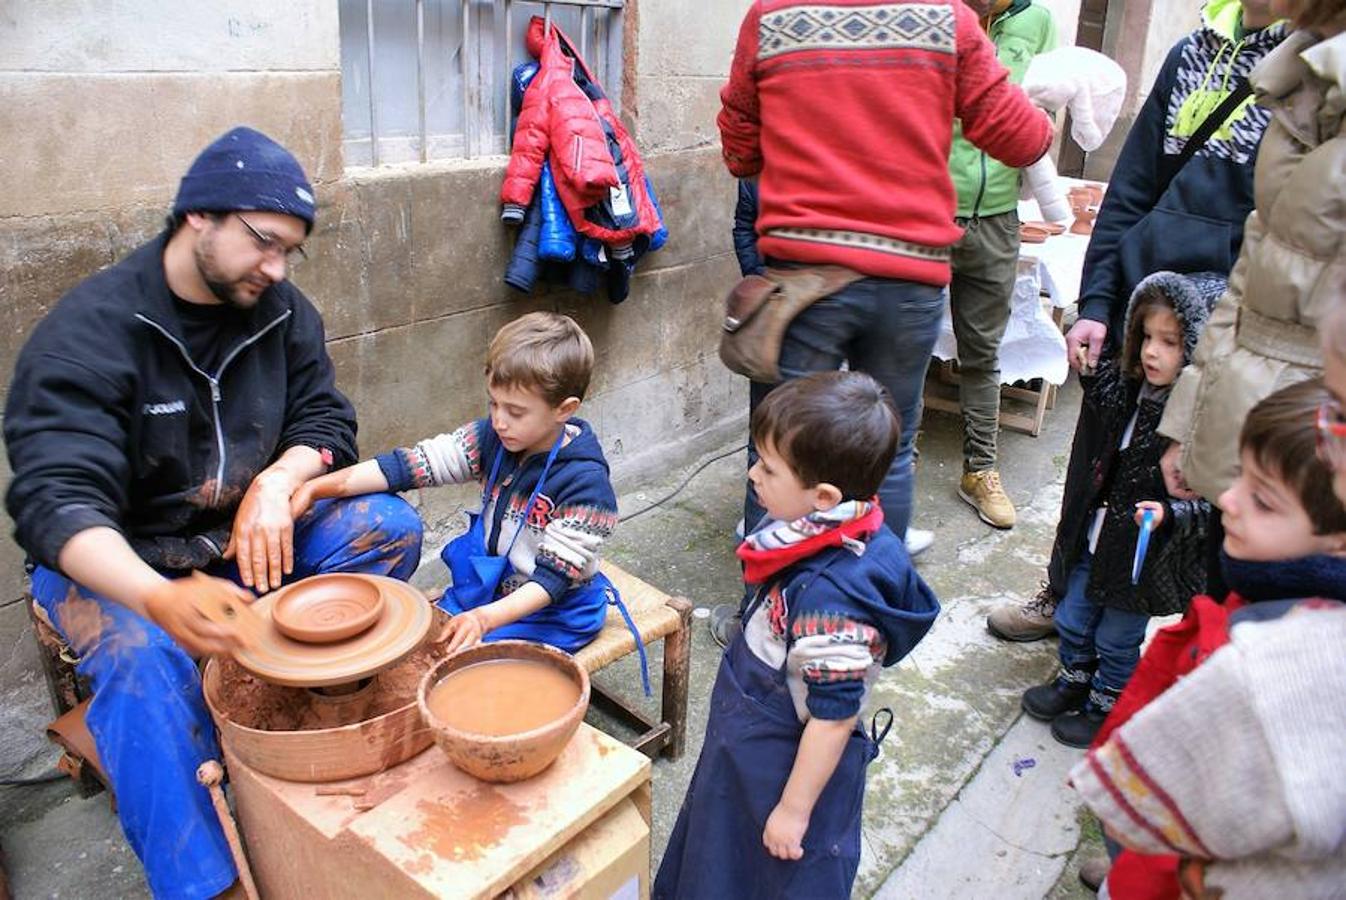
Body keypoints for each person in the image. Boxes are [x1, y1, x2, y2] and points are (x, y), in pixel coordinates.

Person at [4, 126, 423, 898]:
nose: (277, 267)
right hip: (122, 564)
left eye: (291, 251)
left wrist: (277, 482)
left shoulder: (280, 309)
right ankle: (208, 882)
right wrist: (159, 595)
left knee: (387, 528)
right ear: (198, 216)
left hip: (236, 538)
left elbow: (326, 421)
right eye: (264, 243)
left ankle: (277, 706)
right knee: (140, 664)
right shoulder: (92, 333)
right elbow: (54, 501)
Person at [710, 0, 1052, 647]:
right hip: (909, 277)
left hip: (804, 277)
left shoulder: (774, 17)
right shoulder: (948, 20)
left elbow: (739, 145)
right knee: (886, 452)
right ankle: (862, 619)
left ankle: (766, 618)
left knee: (780, 447)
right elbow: (1021, 138)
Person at [987, 0, 1287, 641]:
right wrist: (1097, 304)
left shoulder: (1311, 73)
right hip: (1139, 313)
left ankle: (1180, 637)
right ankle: (1064, 595)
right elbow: (1132, 188)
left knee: (1189, 488)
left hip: (1230, 326)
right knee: (1097, 466)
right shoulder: (1190, 53)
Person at [654, 371, 940, 899]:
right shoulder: (822, 526)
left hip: (783, 769)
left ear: (824, 495)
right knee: (713, 858)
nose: (752, 475)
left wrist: (792, 810)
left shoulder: (836, 608)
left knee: (754, 879)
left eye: (768, 467)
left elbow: (833, 719)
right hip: (746, 749)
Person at [1071, 378, 1346, 899]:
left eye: (1263, 501)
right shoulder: (1261, 597)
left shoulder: (1272, 667)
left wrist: (1133, 843)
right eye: (1239, 477)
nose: (1230, 501)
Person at [293, 312, 622, 655]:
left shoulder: (586, 487)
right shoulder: (491, 439)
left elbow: (552, 580)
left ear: (564, 410)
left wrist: (483, 619)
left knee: (449, 656)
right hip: (493, 591)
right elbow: (410, 466)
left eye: (516, 411)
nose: (499, 420)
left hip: (555, 610)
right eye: (493, 403)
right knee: (416, 635)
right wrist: (315, 488)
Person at [1156, 0, 1346, 596]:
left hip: (1317, 457)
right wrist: (1192, 416)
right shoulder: (1304, 64)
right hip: (1252, 425)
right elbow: (1255, 257)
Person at [1020, 272, 1222, 748]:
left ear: (1196, 348)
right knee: (1072, 618)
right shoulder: (1130, 389)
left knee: (1116, 637)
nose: (1153, 352)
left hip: (1143, 560)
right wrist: (1090, 369)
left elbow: (1212, 504)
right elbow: (1103, 399)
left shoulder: (1200, 422)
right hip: (1098, 536)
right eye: (1147, 337)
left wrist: (1172, 514)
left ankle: (1107, 704)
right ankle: (1074, 678)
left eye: (1169, 342)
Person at [949, 0, 1057, 530]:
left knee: (982, 352)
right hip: (931, 209)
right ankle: (886, 471)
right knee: (902, 347)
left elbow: (1045, 108)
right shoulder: (936, 14)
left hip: (997, 217)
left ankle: (980, 469)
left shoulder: (1037, 21)